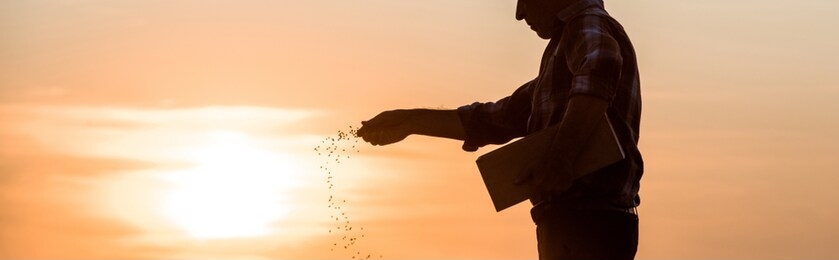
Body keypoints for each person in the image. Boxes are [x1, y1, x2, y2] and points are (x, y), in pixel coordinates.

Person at [356, 0, 642, 259]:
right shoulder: (560, 57)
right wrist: (410, 122)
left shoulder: (586, 23)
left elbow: (602, 63)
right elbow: (496, 118)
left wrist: (561, 159)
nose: (520, 13)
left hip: (591, 220)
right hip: (570, 220)